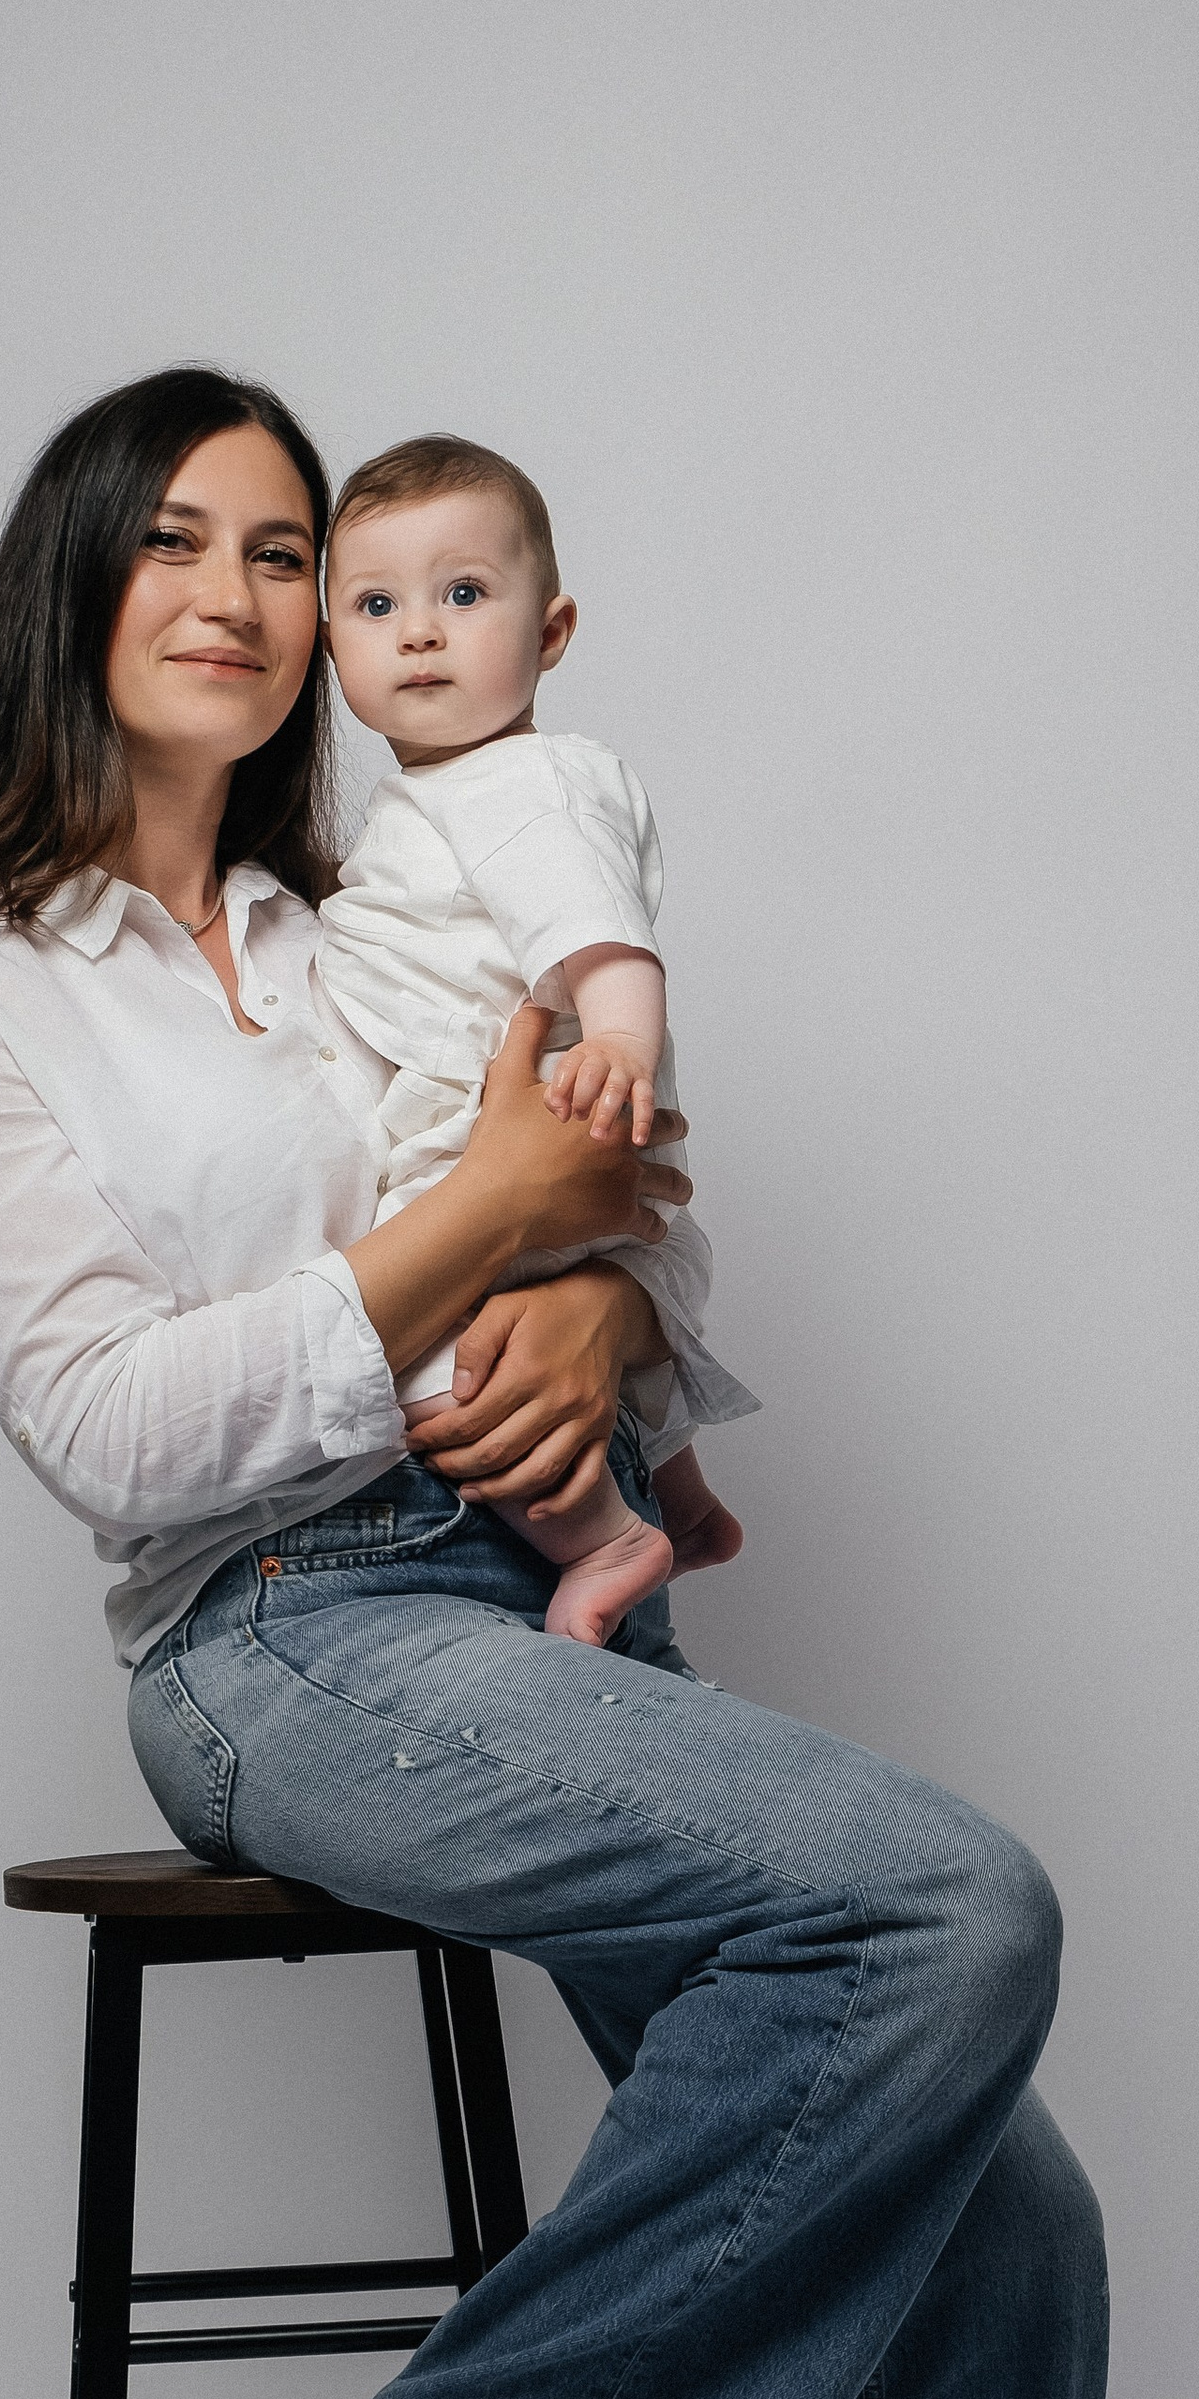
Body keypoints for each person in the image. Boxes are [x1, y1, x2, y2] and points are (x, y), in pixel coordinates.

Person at [0, 364, 1108, 2399]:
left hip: (532, 1593)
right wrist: (470, 1244)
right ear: (74, 580)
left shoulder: (375, 880)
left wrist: (602, 1311)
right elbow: (126, 1434)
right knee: (949, 1917)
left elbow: (595, 1163)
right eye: (180, 540)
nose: (250, 593)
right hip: (280, 1638)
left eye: (291, 551)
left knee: (1005, 2221)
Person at [318, 431, 746, 1643]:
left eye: (464, 594)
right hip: (499, 1136)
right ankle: (684, 1497)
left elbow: (598, 930)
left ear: (549, 634)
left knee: (431, 1379)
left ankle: (613, 1541)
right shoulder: (435, 800)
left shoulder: (523, 786)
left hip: (512, 1135)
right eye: (376, 603)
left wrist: (614, 1039)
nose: (419, 631)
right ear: (332, 645)